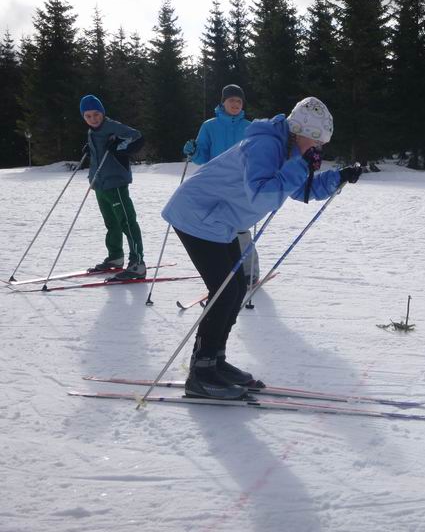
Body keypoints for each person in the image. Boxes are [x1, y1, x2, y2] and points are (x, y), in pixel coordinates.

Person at [162, 97, 362, 399]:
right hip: (196, 214)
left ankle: (215, 361)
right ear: (300, 131)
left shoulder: (288, 147)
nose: (319, 148)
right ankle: (201, 373)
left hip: (219, 220)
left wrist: (338, 177)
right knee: (224, 292)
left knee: (237, 289)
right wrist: (301, 165)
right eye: (316, 141)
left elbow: (299, 189)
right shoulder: (266, 145)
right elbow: (261, 192)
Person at [182, 84, 260, 287]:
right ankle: (227, 270)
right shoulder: (209, 126)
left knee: (240, 228)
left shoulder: (250, 127)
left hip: (240, 184)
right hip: (215, 184)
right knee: (217, 228)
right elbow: (202, 156)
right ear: (223, 102)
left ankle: (249, 272)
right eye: (231, 100)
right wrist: (193, 151)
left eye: (239, 101)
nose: (235, 104)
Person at [80, 94, 147, 281]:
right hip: (99, 184)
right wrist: (90, 149)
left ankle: (138, 263)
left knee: (127, 221)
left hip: (116, 183)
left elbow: (137, 137)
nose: (93, 119)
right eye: (88, 116)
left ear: (102, 113)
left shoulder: (112, 126)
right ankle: (116, 256)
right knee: (111, 223)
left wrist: (119, 146)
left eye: (96, 114)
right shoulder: (92, 131)